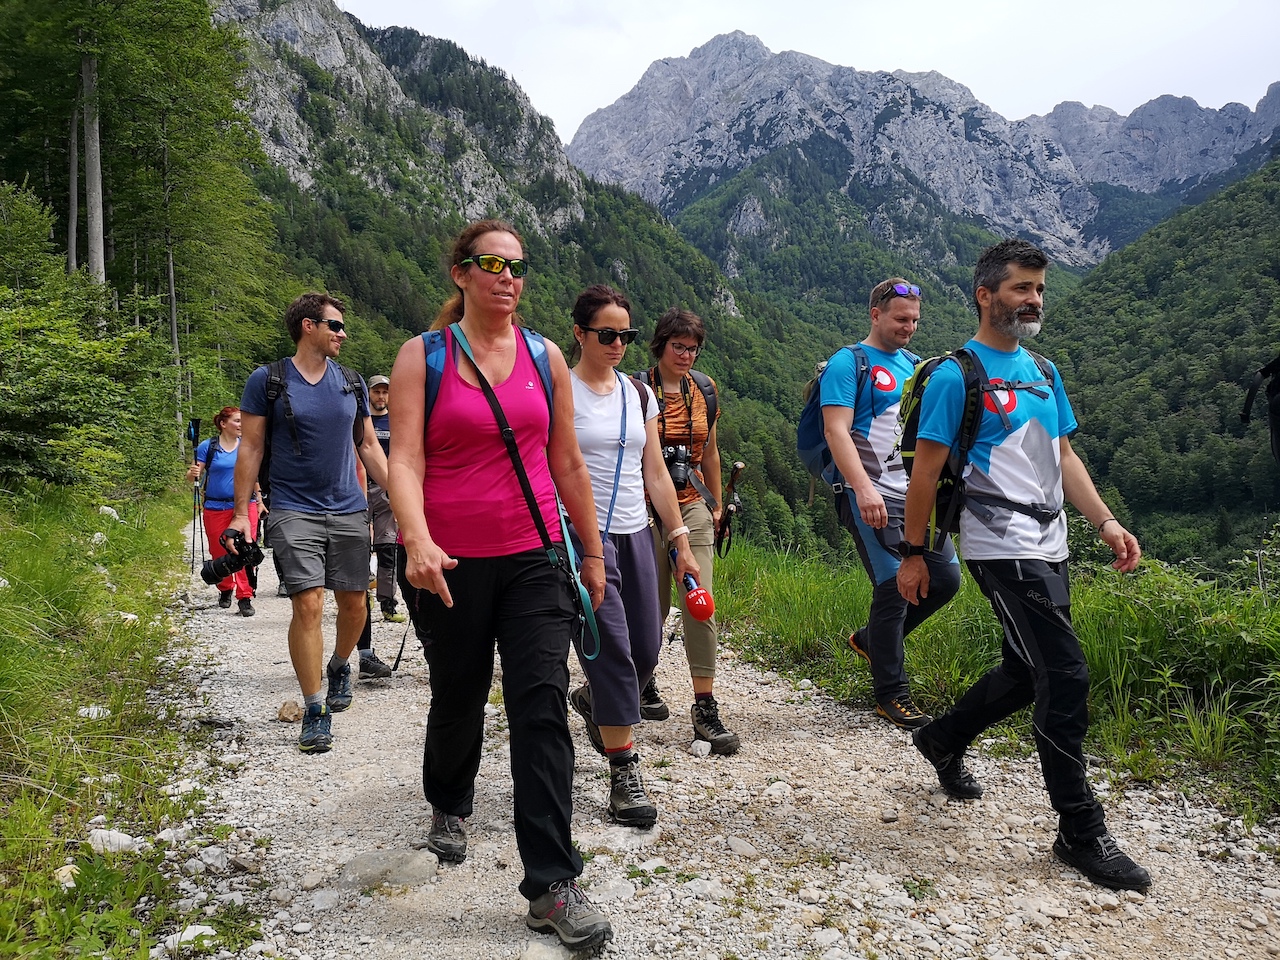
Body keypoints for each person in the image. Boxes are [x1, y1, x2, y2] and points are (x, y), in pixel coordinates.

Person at [897, 239, 1151, 892]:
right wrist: (916, 554)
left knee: (1024, 665)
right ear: (985, 294)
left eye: (1039, 289)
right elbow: (924, 475)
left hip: (1051, 540)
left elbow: (1063, 456)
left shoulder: (1044, 370)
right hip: (996, 543)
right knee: (1063, 675)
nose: (1033, 300)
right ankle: (1079, 828)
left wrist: (1106, 520)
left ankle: (943, 738)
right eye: (1020, 288)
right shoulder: (956, 375)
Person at [387, 220, 613, 952]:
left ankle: (551, 883)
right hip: (446, 561)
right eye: (491, 263)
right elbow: (407, 461)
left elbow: (568, 462)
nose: (506, 277)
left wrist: (590, 553)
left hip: (534, 558)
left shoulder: (545, 356)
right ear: (460, 274)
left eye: (517, 266)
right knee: (458, 692)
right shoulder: (424, 357)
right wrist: (416, 539)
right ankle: (449, 802)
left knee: (541, 707)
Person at [226, 292, 388, 755]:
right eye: (335, 325)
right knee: (309, 604)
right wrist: (242, 511)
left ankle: (340, 664)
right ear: (308, 327)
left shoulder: (351, 382)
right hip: (294, 508)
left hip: (349, 508)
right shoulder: (268, 380)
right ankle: (315, 707)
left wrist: (399, 495)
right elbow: (252, 448)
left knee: (355, 605)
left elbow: (369, 447)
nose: (342, 334)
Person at [564, 284, 700, 829]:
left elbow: (656, 472)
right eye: (606, 334)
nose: (618, 343)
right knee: (613, 651)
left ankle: (599, 701)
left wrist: (679, 539)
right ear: (579, 333)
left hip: (635, 531)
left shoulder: (638, 395)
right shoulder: (560, 393)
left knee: (644, 653)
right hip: (583, 536)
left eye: (626, 335)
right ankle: (624, 770)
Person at [822, 278, 961, 728]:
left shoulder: (917, 366)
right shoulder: (849, 363)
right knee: (893, 586)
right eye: (901, 319)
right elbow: (836, 430)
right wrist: (862, 489)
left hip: (915, 495)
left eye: (916, 320)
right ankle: (891, 694)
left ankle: (872, 641)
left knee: (945, 579)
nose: (910, 327)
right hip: (869, 493)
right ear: (875, 314)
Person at [640, 308, 739, 754]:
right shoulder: (636, 388)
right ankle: (640, 681)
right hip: (642, 509)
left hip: (693, 502)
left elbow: (711, 452)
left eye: (692, 347)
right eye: (677, 346)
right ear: (660, 345)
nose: (685, 354)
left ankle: (703, 705)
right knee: (651, 606)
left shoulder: (705, 390)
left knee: (700, 604)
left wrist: (715, 505)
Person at [186, 406, 261, 617]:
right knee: (219, 550)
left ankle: (245, 596)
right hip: (216, 506)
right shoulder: (207, 447)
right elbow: (194, 476)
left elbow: (252, 475)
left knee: (247, 549)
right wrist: (192, 474)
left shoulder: (246, 445)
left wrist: (260, 498)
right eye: (238, 421)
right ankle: (225, 588)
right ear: (223, 424)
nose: (241, 425)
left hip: (246, 505)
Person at [366, 374, 405, 624]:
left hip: (387, 490)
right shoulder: (362, 420)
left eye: (385, 392)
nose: (381, 397)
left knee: (388, 548)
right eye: (376, 392)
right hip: (359, 488)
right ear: (369, 393)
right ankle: (360, 595)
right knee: (357, 546)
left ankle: (388, 602)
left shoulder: (398, 421)